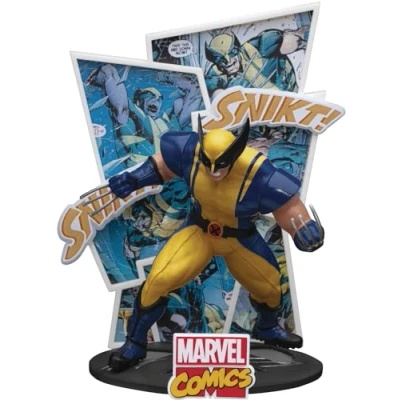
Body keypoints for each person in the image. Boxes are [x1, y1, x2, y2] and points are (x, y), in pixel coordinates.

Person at [99, 118, 324, 372]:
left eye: (221, 165)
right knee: (158, 280)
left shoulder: (259, 173)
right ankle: (134, 343)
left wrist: (302, 227)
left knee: (271, 287)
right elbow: (162, 165)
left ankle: (267, 327)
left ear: (235, 155)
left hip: (239, 239)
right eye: (208, 164)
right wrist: (134, 178)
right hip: (200, 232)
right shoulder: (191, 152)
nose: (214, 172)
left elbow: (288, 206)